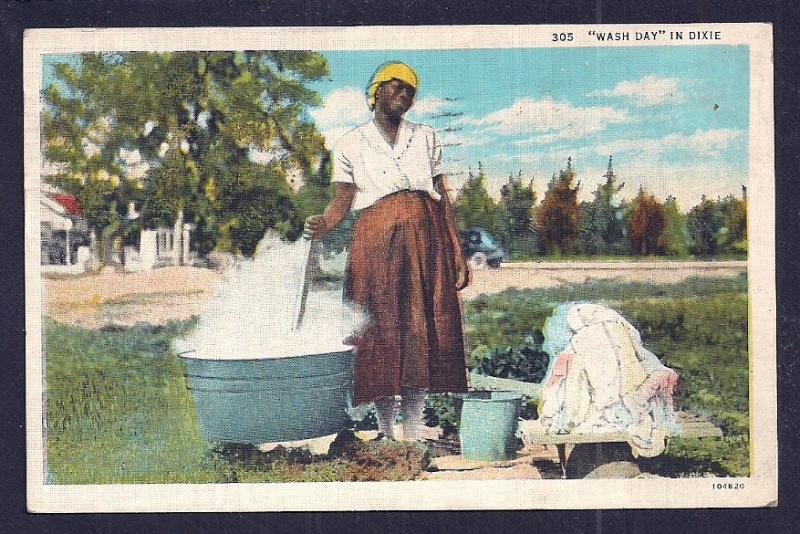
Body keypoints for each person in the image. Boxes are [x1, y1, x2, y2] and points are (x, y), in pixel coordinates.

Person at [305, 61, 469, 441]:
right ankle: (384, 433)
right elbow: (343, 199)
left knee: (418, 330)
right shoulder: (351, 142)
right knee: (380, 331)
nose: (404, 96)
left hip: (424, 241)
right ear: (376, 91)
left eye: (410, 91)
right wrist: (325, 223)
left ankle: (410, 432)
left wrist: (456, 250)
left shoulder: (426, 137)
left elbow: (443, 195)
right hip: (375, 242)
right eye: (397, 87)